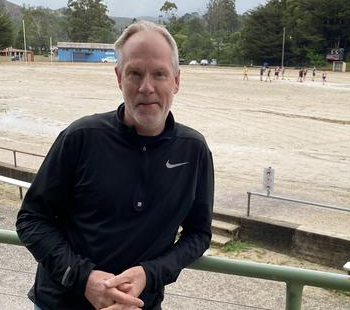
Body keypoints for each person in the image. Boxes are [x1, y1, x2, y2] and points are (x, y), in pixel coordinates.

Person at [16, 20, 214, 310]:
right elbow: (31, 219)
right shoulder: (81, 137)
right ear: (119, 78)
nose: (147, 87)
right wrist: (84, 279)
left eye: (159, 74)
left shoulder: (193, 149)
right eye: (135, 73)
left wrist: (150, 273)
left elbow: (198, 234)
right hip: (60, 303)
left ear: (176, 80)